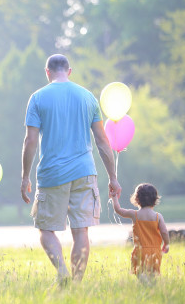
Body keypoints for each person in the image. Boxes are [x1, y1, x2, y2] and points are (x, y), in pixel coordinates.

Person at [21, 54, 121, 285]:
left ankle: (62, 271)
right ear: (69, 71)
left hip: (51, 174)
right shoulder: (87, 97)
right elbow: (103, 141)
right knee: (81, 231)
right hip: (85, 172)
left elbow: (30, 141)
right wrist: (113, 177)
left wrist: (25, 176)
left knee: (46, 230)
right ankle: (76, 283)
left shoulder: (37, 98)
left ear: (47, 72)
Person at [111, 183, 170, 278]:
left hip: (140, 251)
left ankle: (145, 283)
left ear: (136, 199)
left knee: (140, 273)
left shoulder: (135, 214)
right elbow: (164, 232)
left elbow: (118, 210)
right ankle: (151, 287)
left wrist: (114, 198)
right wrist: (166, 244)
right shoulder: (158, 216)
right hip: (155, 251)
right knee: (153, 274)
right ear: (155, 199)